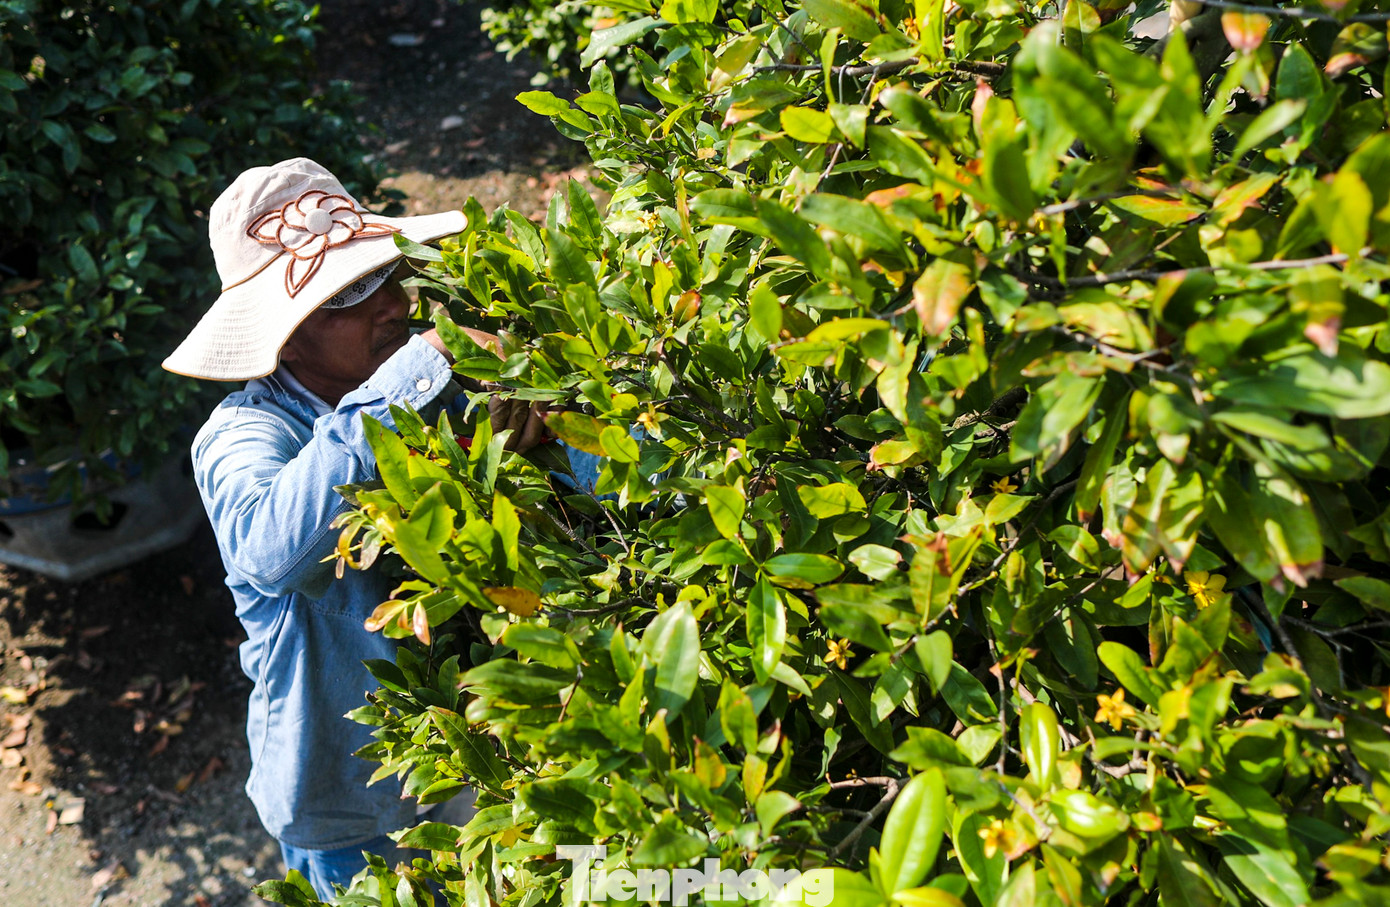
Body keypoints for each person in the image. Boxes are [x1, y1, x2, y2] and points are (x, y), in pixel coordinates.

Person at [162, 158, 546, 898]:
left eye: (387, 276)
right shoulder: (243, 438)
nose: (394, 305)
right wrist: (417, 373)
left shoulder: (432, 384)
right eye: (348, 293)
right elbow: (274, 549)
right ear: (287, 336)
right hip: (351, 808)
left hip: (473, 754)